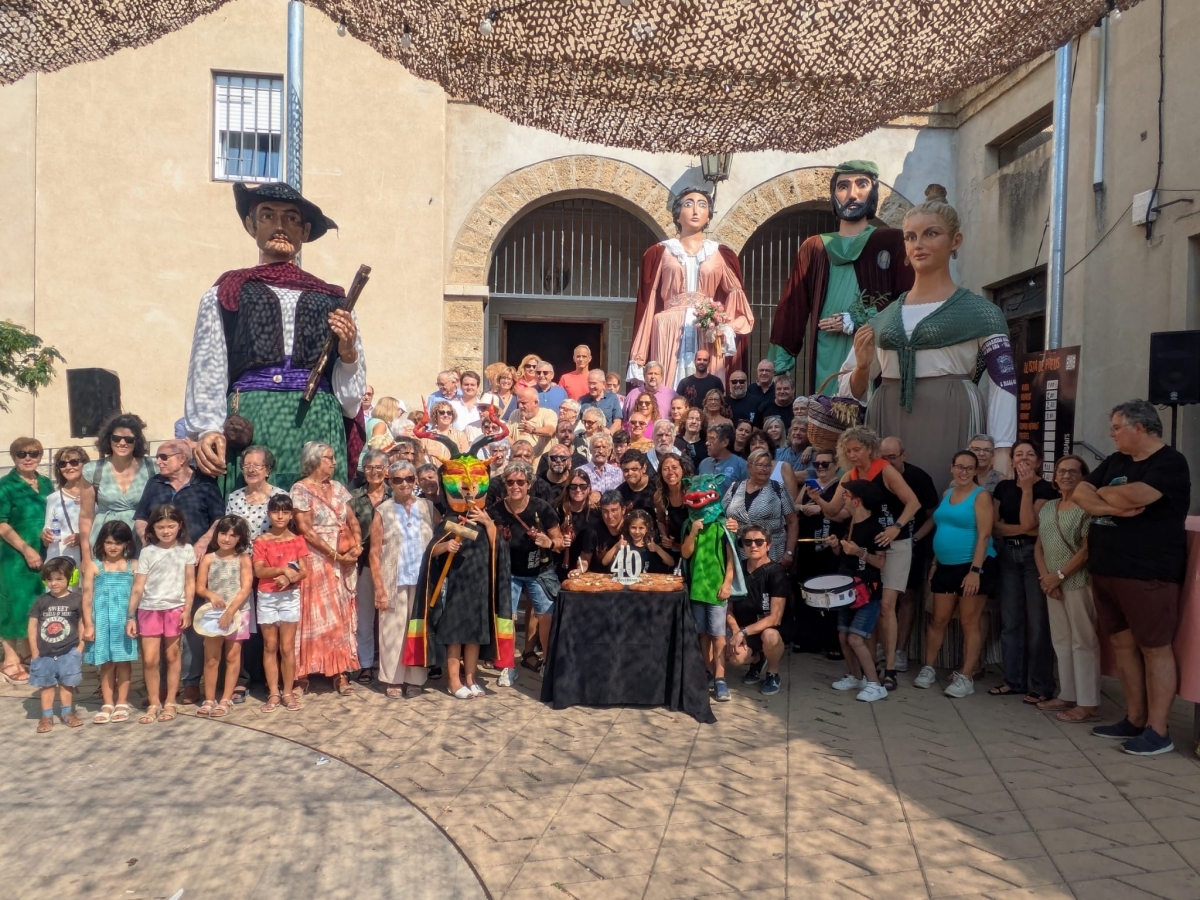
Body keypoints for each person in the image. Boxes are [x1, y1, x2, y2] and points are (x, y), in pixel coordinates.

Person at [185, 182, 365, 489]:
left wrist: (348, 353)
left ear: (305, 231)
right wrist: (208, 428)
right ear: (251, 225)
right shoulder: (227, 292)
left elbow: (350, 401)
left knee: (317, 505)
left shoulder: (334, 299)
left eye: (291, 219)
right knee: (250, 505)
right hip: (252, 420)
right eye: (268, 216)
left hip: (318, 419)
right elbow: (209, 363)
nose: (280, 226)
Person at [840, 185, 1017, 481]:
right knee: (890, 497)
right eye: (910, 237)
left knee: (950, 492)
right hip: (887, 417)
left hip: (952, 416)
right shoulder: (882, 319)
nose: (918, 244)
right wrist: (861, 368)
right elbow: (849, 392)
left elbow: (1004, 384)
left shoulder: (982, 313)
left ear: (955, 241)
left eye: (931, 234)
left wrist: (1002, 449)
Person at [1074, 400, 1191, 756]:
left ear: (1138, 428)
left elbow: (1135, 495)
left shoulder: (1170, 462)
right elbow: (1079, 493)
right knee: (1123, 645)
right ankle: (1135, 718)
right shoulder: (1116, 461)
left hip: (1147, 572)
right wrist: (1111, 506)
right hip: (1107, 568)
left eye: (1116, 427)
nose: (1111, 435)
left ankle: (1159, 730)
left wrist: (1101, 494)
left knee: (1154, 648)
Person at [770, 161, 913, 392]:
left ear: (874, 192)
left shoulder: (892, 241)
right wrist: (779, 364)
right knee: (828, 404)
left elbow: (908, 299)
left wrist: (858, 319)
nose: (852, 194)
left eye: (862, 185)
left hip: (872, 347)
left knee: (868, 404)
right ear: (833, 195)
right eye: (843, 186)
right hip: (826, 348)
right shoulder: (814, 247)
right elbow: (792, 307)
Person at [809, 429, 925, 693]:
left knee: (887, 606)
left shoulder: (885, 470)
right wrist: (817, 499)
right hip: (865, 542)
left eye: (857, 449)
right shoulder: (849, 475)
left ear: (869, 449)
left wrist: (896, 527)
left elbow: (913, 503)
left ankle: (890, 668)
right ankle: (868, 668)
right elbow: (834, 510)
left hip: (895, 541)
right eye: (848, 450)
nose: (852, 455)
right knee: (866, 601)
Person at [404, 443, 515, 698]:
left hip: (480, 589)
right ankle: (454, 681)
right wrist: (446, 547)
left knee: (474, 637)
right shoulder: (450, 520)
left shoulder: (486, 520)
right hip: (455, 589)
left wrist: (488, 524)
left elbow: (499, 551)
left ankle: (471, 679)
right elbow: (431, 553)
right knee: (455, 636)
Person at [914, 451, 998, 699]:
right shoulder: (947, 493)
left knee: (969, 622)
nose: (964, 472)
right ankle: (928, 668)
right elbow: (942, 527)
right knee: (938, 619)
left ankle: (967, 676)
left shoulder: (981, 496)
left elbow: (984, 534)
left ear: (975, 471)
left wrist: (975, 571)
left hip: (973, 566)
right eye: (960, 467)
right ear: (952, 467)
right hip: (945, 566)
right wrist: (936, 562)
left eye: (969, 468)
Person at [990, 440, 1059, 703]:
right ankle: (1013, 681)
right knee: (1011, 621)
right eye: (1019, 454)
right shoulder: (1003, 487)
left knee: (1038, 623)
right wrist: (1021, 529)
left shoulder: (1046, 488)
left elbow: (1031, 523)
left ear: (1039, 461)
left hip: (1034, 557)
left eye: (1030, 454)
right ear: (1012, 460)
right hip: (1007, 555)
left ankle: (1042, 685)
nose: (1024, 458)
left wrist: (1028, 488)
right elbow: (995, 526)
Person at [292, 441, 362, 696]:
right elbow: (305, 529)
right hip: (316, 560)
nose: (334, 462)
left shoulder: (339, 488)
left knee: (340, 614)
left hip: (343, 558)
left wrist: (357, 547)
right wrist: (335, 556)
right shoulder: (300, 489)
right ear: (314, 460)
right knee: (313, 614)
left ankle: (339, 671)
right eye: (329, 458)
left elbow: (352, 519)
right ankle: (302, 674)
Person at [1034, 454, 1099, 723]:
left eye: (1073, 471)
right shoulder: (1048, 507)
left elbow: (1086, 550)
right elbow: (1039, 546)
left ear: (1083, 476)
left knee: (1083, 641)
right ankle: (1068, 694)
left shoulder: (1087, 507)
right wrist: (1046, 579)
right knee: (1061, 640)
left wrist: (1059, 576)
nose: (1066, 475)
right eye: (1061, 471)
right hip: (1052, 584)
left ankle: (1088, 703)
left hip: (1077, 581)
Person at [370, 460, 439, 699]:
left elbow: (442, 534)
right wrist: (379, 588)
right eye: (398, 480)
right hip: (394, 578)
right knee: (392, 630)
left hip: (421, 580)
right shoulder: (383, 510)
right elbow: (374, 552)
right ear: (390, 482)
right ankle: (393, 679)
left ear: (415, 480)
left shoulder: (427, 507)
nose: (404, 484)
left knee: (417, 629)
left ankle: (415, 678)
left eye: (409, 479)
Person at [126, 504, 195, 724]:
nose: (166, 531)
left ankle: (171, 701)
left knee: (173, 656)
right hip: (149, 609)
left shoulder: (186, 550)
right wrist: (130, 616)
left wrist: (187, 610)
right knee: (150, 659)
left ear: (179, 526)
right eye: (161, 527)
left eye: (171, 526)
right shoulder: (147, 552)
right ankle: (154, 702)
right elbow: (138, 586)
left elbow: (190, 583)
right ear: (152, 528)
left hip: (175, 608)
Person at [492, 461, 563, 674]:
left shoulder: (542, 507)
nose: (515, 486)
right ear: (505, 484)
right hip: (508, 571)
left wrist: (549, 542)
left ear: (529, 484)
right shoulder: (495, 511)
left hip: (539, 570)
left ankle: (548, 662)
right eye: (510, 482)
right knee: (506, 618)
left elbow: (559, 542)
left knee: (547, 615)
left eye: (520, 482)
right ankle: (507, 666)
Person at [878, 436, 939, 673]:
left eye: (892, 457)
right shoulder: (875, 474)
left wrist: (914, 540)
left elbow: (933, 515)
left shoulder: (919, 478)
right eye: (883, 458)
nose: (887, 462)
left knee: (907, 597)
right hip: (880, 545)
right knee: (880, 598)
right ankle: (883, 646)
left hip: (911, 543)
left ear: (904, 455)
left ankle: (900, 651)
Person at [825, 480, 890, 702]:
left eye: (846, 495)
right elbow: (843, 556)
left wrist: (859, 552)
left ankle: (875, 684)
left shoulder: (875, 528)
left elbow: (880, 562)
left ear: (857, 500)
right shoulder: (849, 524)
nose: (843, 498)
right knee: (843, 636)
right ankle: (855, 676)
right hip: (846, 588)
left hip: (867, 592)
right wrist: (836, 546)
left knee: (855, 638)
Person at [0, 437, 54, 685]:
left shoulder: (45, 483)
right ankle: (10, 660)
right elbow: (2, 524)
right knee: (13, 603)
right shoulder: (5, 486)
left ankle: (29, 652)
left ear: (41, 456)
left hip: (43, 550)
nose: (28, 458)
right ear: (14, 457)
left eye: (34, 453)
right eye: (22, 454)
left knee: (34, 602)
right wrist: (26, 550)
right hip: (14, 554)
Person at [682, 476, 740, 702]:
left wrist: (727, 583)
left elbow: (731, 558)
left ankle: (720, 677)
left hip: (717, 590)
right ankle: (707, 672)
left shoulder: (723, 525)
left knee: (718, 635)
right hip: (697, 589)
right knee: (702, 634)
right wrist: (693, 532)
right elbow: (686, 553)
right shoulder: (690, 525)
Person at [253, 494, 308, 712]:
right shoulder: (261, 541)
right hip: (267, 596)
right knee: (270, 646)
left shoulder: (298, 540)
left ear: (291, 514)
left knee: (287, 647)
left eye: (285, 512)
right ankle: (273, 692)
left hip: (289, 596)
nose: (280, 516)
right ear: (269, 513)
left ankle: (287, 691)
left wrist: (289, 578)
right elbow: (259, 570)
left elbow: (304, 571)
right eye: (276, 511)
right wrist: (282, 570)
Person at [194, 516, 253, 718]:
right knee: (211, 658)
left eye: (233, 535)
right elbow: (200, 586)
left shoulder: (243, 559)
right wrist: (211, 595)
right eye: (223, 533)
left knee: (232, 656)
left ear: (240, 538)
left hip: (238, 613)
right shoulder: (209, 558)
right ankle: (209, 698)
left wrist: (230, 612)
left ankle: (226, 698)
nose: (227, 539)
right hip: (213, 614)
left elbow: (246, 588)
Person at [79, 413, 158, 561]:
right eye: (116, 438)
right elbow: (85, 516)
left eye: (129, 439)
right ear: (108, 439)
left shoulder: (152, 468)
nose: (122, 443)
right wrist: (86, 557)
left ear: (137, 441)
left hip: (140, 539)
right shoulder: (93, 470)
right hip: (104, 539)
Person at [790, 448, 843, 656]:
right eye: (817, 464)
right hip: (807, 545)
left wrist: (821, 508)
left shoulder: (839, 486)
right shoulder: (810, 484)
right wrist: (804, 508)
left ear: (836, 465)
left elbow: (843, 512)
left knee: (829, 594)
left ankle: (831, 643)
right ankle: (807, 639)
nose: (820, 467)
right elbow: (795, 505)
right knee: (805, 592)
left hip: (830, 545)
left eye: (825, 464)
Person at [725, 524, 789, 695]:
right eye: (748, 542)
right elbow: (728, 608)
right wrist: (736, 631)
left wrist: (742, 633)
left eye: (759, 542)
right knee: (735, 657)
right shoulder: (737, 569)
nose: (753, 545)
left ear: (768, 545)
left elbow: (775, 617)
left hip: (769, 628)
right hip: (744, 628)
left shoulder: (776, 572)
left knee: (770, 636)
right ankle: (757, 660)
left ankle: (773, 673)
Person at [134, 440, 224, 560]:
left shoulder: (206, 484)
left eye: (164, 457)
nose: (158, 462)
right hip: (159, 556)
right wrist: (147, 541)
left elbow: (219, 519)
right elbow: (141, 517)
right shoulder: (154, 482)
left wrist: (203, 542)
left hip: (195, 556)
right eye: (157, 457)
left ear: (182, 459)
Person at [28, 557, 85, 732]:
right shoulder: (41, 601)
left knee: (67, 684)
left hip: (69, 651)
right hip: (44, 652)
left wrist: (80, 647)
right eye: (49, 579)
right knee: (47, 685)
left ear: (70, 578)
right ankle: (46, 716)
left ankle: (67, 713)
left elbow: (82, 623)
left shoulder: (77, 599)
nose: (53, 583)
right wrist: (34, 651)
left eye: (59, 579)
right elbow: (32, 625)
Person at [349, 449, 392, 685]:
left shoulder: (396, 493)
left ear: (386, 470)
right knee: (365, 616)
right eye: (369, 467)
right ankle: (365, 664)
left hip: (392, 561)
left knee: (391, 615)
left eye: (379, 467)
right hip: (364, 562)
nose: (374, 472)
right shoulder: (354, 497)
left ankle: (389, 664)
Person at [723, 448, 798, 569]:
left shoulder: (778, 488)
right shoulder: (735, 488)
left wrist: (789, 552)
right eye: (760, 465)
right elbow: (722, 516)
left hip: (772, 553)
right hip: (740, 552)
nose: (764, 469)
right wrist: (729, 523)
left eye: (768, 465)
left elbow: (792, 522)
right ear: (749, 467)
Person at [225, 445, 290, 539]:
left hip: (270, 547)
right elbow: (228, 529)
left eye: (256, 465)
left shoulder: (281, 496)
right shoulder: (234, 497)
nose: (251, 470)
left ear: (268, 470)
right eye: (246, 465)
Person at [43, 446, 89, 566]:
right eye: (62, 464)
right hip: (62, 563)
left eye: (74, 462)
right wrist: (45, 536)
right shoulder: (53, 498)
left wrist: (82, 537)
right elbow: (47, 533)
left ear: (84, 464)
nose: (68, 467)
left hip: (91, 559)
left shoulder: (96, 495)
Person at [603, 509, 674, 574]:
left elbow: (671, 563)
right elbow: (604, 562)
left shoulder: (651, 546)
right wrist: (616, 546)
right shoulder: (624, 545)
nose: (637, 532)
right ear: (628, 528)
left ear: (647, 529)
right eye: (633, 527)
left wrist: (657, 549)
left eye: (641, 528)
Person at [654, 452, 693, 570]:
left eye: (674, 467)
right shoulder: (659, 496)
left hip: (694, 544)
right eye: (666, 469)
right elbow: (660, 520)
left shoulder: (692, 491)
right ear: (661, 473)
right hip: (675, 547)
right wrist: (664, 536)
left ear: (682, 469)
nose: (670, 472)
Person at [574, 491, 627, 575]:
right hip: (598, 576)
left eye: (614, 510)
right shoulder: (592, 530)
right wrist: (580, 568)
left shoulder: (632, 528)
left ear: (623, 510)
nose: (609, 516)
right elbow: (585, 558)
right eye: (605, 511)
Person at [557, 469, 596, 579]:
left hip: (586, 565)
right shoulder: (558, 509)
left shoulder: (595, 512)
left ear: (589, 488)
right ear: (568, 489)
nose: (578, 490)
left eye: (583, 486)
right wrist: (560, 539)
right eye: (573, 486)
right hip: (559, 563)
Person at [507, 387, 558, 466]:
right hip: (519, 468)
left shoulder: (548, 414)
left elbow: (550, 431)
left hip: (542, 468)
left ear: (536, 403)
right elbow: (506, 436)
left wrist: (532, 430)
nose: (520, 406)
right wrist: (519, 448)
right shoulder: (515, 414)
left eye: (523, 403)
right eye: (519, 403)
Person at [747, 431, 801, 502]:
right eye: (753, 444)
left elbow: (793, 499)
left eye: (761, 442)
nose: (757, 445)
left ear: (769, 446)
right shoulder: (747, 468)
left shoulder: (784, 467)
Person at [581, 433, 624, 503]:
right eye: (597, 447)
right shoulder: (581, 472)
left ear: (609, 451)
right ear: (590, 450)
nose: (601, 451)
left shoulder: (618, 473)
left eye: (604, 447)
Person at [579, 369, 624, 433]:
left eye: (594, 383)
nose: (591, 386)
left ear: (603, 383)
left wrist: (609, 434)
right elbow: (577, 421)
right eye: (589, 383)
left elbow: (618, 421)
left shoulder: (612, 398)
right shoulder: (582, 400)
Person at [361, 396, 403, 464]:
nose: (398, 412)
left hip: (368, 461)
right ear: (390, 410)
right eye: (397, 409)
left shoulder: (372, 421)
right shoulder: (380, 424)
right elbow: (376, 449)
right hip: (372, 464)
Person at [617, 449, 657, 515]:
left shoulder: (658, 485)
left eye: (634, 469)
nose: (630, 473)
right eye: (626, 470)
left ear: (644, 468)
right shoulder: (620, 493)